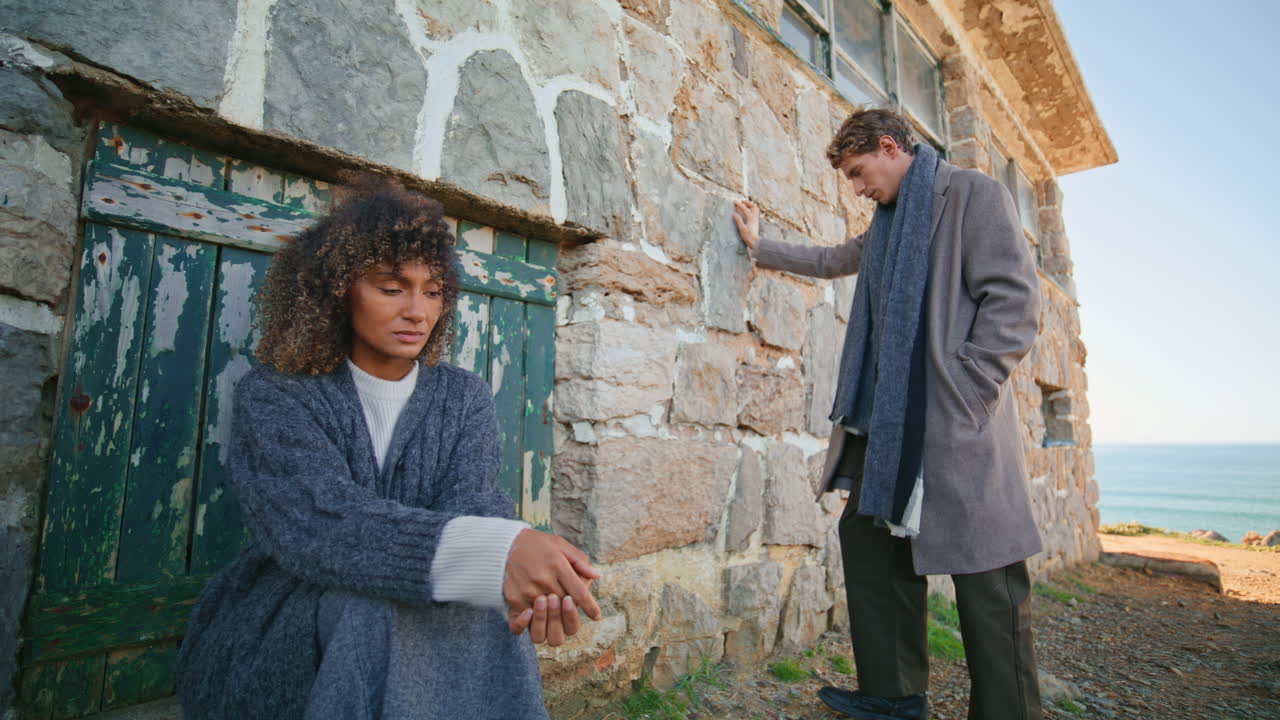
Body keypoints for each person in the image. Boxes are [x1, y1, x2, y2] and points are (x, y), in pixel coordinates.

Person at [176, 177, 601, 719]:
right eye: (391, 287)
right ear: (338, 289)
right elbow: (318, 525)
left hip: (401, 605)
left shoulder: (461, 395)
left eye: (433, 290)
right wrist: (494, 553)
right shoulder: (277, 393)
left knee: (486, 597)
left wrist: (520, 563)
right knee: (371, 605)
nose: (418, 312)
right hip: (286, 613)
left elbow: (472, 497)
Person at [733, 108, 1043, 720]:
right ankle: (895, 696)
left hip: (956, 422)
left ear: (888, 146)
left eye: (858, 171)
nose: (857, 187)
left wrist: (965, 386)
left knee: (989, 576)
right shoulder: (889, 221)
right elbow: (833, 260)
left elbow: (1014, 299)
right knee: (871, 544)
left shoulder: (973, 195)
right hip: (887, 425)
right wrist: (759, 246)